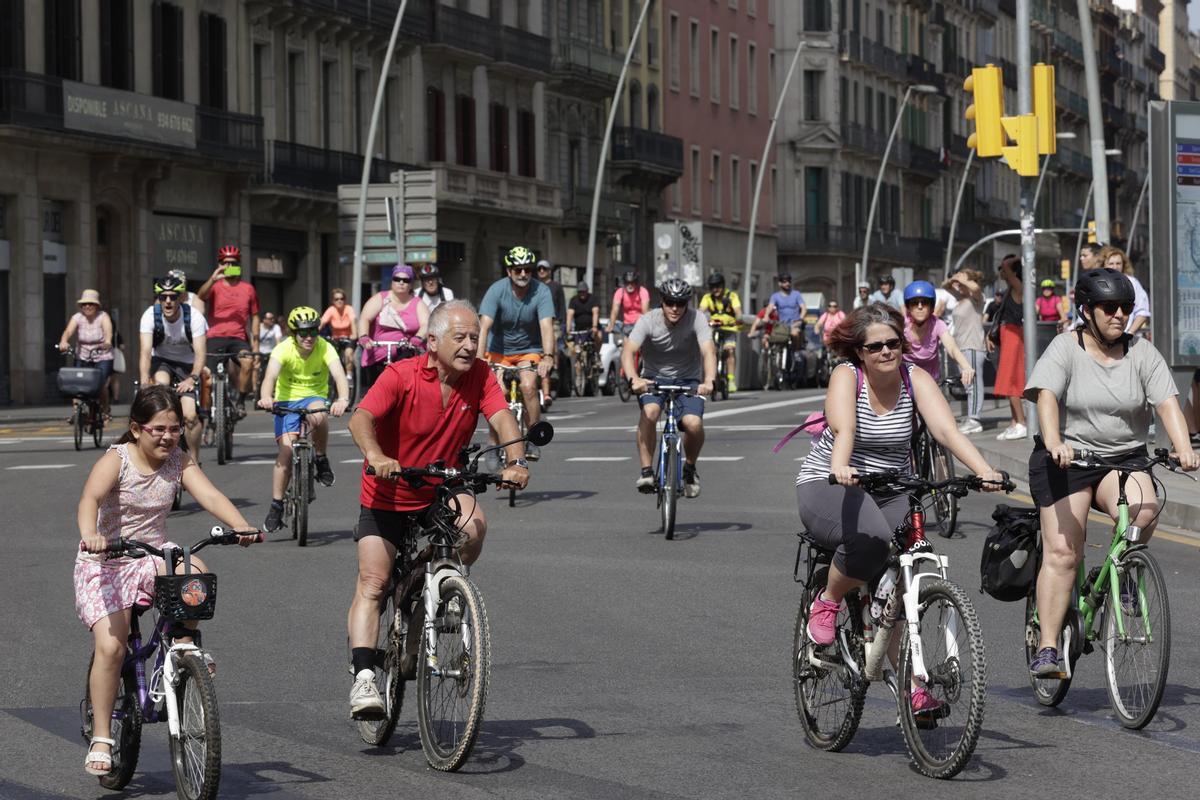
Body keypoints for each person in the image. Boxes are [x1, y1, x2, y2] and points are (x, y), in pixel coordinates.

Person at [795, 303, 1004, 714]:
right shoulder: (847, 376)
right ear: (860, 352)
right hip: (831, 482)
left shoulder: (915, 377)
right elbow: (845, 427)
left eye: (894, 343)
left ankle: (913, 687)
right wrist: (841, 465)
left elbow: (945, 429)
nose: (887, 352)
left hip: (891, 487)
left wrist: (984, 470)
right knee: (871, 542)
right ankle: (829, 598)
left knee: (899, 587)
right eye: (876, 347)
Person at [344, 300, 530, 717]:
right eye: (459, 337)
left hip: (441, 486)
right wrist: (376, 455)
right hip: (388, 489)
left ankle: (435, 583)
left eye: (474, 339)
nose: (469, 346)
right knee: (374, 582)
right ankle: (364, 679)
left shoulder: (480, 375)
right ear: (431, 341)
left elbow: (502, 417)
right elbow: (361, 418)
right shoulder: (401, 374)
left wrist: (516, 461)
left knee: (474, 526)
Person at [1023, 268, 1200, 677]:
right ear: (1087, 311)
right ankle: (1048, 646)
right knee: (1065, 553)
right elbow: (1046, 397)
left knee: (1145, 508)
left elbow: (1168, 404)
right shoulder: (1066, 347)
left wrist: (1185, 448)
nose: (1119, 314)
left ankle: (1120, 570)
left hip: (1123, 456)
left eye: (1125, 307)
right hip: (1067, 459)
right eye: (1109, 307)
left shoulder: (1140, 351)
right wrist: (1054, 441)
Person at [74, 385, 257, 775]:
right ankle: (103, 737)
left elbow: (210, 494)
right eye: (158, 429)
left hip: (153, 554)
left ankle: (184, 644)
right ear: (137, 429)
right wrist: (92, 534)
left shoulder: (179, 460)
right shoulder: (117, 460)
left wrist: (240, 526)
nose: (168, 437)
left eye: (174, 428)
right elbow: (89, 499)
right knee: (112, 648)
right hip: (106, 560)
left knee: (197, 573)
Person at [257, 306, 350, 532]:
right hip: (286, 402)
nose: (309, 338)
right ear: (293, 334)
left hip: (313, 397)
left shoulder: (325, 347)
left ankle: (320, 458)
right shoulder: (283, 349)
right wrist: (266, 397)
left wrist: (343, 399)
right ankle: (276, 505)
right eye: (303, 333)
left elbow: (339, 375)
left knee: (319, 415)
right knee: (286, 453)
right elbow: (270, 376)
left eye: (313, 332)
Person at [625, 278, 717, 498]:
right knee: (651, 412)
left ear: (687, 303)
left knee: (693, 424)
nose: (675, 308)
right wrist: (633, 379)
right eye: (669, 302)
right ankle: (647, 472)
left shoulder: (697, 319)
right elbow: (628, 351)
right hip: (653, 379)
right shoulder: (648, 320)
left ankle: (690, 469)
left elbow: (708, 351)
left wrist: (710, 381)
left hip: (688, 380)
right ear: (662, 302)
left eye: (681, 303)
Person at [479, 246, 556, 460]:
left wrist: (548, 357)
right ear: (509, 272)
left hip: (529, 350)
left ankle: (532, 438)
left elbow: (546, 326)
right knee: (498, 393)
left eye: (527, 270)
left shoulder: (541, 291)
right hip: (498, 351)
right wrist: (478, 359)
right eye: (518, 270)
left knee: (529, 387)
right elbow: (484, 326)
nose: (523, 274)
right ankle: (494, 441)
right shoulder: (496, 290)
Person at [139, 274, 208, 460]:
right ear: (158, 299)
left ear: (181, 298)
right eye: (163, 297)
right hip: (162, 361)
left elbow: (201, 353)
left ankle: (193, 460)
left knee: (190, 417)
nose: (168, 301)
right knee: (161, 383)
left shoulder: (194, 317)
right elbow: (145, 351)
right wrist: (145, 381)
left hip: (187, 365)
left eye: (173, 297)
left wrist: (192, 378)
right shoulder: (149, 316)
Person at [196, 246, 260, 414]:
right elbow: (200, 296)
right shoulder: (215, 286)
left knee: (247, 363)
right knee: (208, 376)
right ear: (220, 264)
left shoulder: (248, 289)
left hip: (238, 338)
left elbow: (255, 317)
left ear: (239, 265)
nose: (229, 266)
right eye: (226, 263)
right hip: (214, 337)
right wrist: (213, 277)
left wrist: (256, 346)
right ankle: (208, 413)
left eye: (233, 263)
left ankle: (240, 400)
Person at [358, 263, 430, 389]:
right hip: (378, 353)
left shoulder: (418, 303)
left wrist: (417, 338)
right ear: (392, 281)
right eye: (397, 279)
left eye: (406, 280)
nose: (401, 282)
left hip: (406, 353)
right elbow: (365, 318)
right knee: (374, 389)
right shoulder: (380, 298)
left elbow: (426, 324)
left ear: (411, 284)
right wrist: (364, 337)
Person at [901, 280, 975, 388]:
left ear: (931, 307)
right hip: (905, 381)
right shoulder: (901, 325)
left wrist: (966, 366)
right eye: (914, 303)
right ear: (908, 307)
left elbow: (952, 348)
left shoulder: (937, 324)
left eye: (925, 302)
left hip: (930, 382)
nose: (920, 306)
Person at [58, 289, 115, 419]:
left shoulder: (103, 317)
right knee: (76, 383)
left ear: (97, 306)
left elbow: (108, 332)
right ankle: (76, 412)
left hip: (102, 355)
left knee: (101, 384)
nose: (87, 306)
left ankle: (105, 410)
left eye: (91, 304)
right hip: (82, 355)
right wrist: (64, 341)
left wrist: (107, 341)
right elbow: (68, 331)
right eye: (84, 304)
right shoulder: (77, 318)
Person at [988, 255, 1028, 440]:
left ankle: (1021, 422)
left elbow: (1007, 268)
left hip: (1013, 334)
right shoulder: (1011, 288)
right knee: (1007, 379)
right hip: (1008, 334)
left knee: (1011, 380)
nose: (1001, 272)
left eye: (1004, 269)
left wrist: (1020, 257)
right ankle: (1015, 421)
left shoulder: (1018, 286)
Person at [945, 270, 988, 434]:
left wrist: (964, 280)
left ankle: (975, 419)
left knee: (974, 385)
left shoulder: (976, 298)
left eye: (963, 282)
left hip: (973, 346)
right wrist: (956, 279)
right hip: (961, 347)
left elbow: (975, 289)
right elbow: (945, 286)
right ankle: (971, 417)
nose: (958, 285)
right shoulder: (961, 299)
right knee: (968, 386)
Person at [699, 272, 743, 393]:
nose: (715, 289)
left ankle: (731, 380)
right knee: (710, 351)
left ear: (723, 286)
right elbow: (701, 311)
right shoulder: (707, 297)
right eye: (712, 287)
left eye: (718, 286)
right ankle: (710, 378)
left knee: (730, 351)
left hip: (729, 328)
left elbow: (738, 311)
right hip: (714, 328)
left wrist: (739, 318)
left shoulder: (732, 296)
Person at [536, 259, 567, 408]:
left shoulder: (556, 287)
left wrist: (562, 324)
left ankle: (553, 367)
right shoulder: (534, 287)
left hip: (553, 321)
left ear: (549, 271)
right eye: (539, 269)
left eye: (544, 269)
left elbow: (562, 306)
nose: (541, 271)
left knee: (552, 343)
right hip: (537, 322)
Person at [1099, 246, 1151, 336]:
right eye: (1111, 263)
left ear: (1123, 265)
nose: (1115, 267)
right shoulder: (1098, 283)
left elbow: (1142, 312)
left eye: (1118, 263)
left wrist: (1129, 333)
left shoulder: (1132, 283)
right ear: (1104, 265)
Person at [762, 272, 808, 354]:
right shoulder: (775, 296)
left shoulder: (796, 294)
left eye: (789, 281)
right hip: (782, 324)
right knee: (773, 337)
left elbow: (803, 308)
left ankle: (795, 351)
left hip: (795, 322)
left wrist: (800, 318)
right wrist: (766, 316)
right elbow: (770, 307)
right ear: (780, 283)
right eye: (784, 282)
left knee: (795, 334)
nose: (787, 283)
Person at [320, 287, 358, 375]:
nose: (339, 301)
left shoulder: (349, 309)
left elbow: (353, 322)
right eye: (336, 299)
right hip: (335, 339)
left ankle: (349, 377)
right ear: (333, 301)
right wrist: (313, 333)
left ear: (345, 300)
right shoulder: (331, 310)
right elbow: (321, 323)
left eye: (342, 299)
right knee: (331, 357)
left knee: (348, 354)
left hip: (348, 338)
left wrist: (354, 334)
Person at [605, 269, 651, 337]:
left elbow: (645, 311)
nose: (630, 285)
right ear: (624, 283)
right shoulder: (620, 292)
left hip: (640, 324)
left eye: (632, 283)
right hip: (626, 325)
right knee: (625, 344)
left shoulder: (642, 291)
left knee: (639, 343)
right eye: (627, 283)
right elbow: (615, 310)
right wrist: (611, 325)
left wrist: (647, 326)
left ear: (636, 283)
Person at [567, 281, 601, 355]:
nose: (582, 294)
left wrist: (594, 326)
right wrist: (568, 329)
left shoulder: (593, 299)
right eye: (580, 292)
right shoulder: (573, 300)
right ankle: (578, 364)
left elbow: (595, 312)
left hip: (592, 328)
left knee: (599, 336)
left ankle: (597, 355)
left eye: (584, 292)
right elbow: (570, 314)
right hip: (579, 330)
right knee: (575, 350)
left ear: (587, 291)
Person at [254, 311, 284, 394]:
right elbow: (254, 341)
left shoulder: (276, 327)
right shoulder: (258, 327)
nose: (272, 320)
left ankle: (275, 389)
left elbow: (278, 341)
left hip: (272, 353)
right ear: (264, 320)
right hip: (259, 353)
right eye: (270, 319)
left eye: (273, 318)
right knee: (255, 368)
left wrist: (278, 352)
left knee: (275, 370)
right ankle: (255, 390)